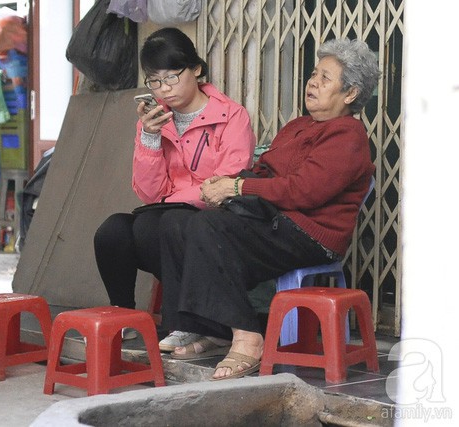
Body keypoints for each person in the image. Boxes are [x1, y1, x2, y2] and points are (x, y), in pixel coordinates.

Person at [157, 38, 379, 380]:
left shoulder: (348, 137)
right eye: (314, 74)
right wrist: (225, 184)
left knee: (209, 228)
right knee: (177, 222)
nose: (313, 82)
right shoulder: (298, 127)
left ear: (350, 94)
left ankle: (248, 338)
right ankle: (206, 328)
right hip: (275, 222)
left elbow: (302, 191)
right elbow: (266, 172)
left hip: (308, 234)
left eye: (325, 78)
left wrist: (237, 187)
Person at [93, 28, 256, 348]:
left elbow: (224, 186)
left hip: (215, 221)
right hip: (162, 221)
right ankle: (124, 316)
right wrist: (150, 139)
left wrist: (173, 202)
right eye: (154, 81)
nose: (163, 90)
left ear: (195, 68)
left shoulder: (231, 116)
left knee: (162, 221)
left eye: (171, 77)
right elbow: (149, 193)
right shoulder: (154, 120)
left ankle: (188, 322)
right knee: (113, 230)